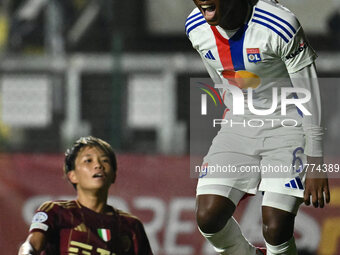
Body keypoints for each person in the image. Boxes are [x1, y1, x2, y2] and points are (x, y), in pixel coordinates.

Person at [186, 0, 330, 254]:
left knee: (276, 227)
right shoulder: (195, 27)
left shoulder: (279, 25)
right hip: (240, 122)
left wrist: (316, 158)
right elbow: (219, 78)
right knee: (208, 217)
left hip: (289, 123)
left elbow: (309, 91)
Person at [18, 136, 153, 255]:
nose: (98, 165)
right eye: (88, 160)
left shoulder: (131, 226)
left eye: (105, 161)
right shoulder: (56, 212)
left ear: (114, 175)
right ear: (73, 176)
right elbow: (31, 245)